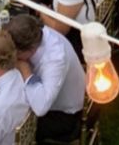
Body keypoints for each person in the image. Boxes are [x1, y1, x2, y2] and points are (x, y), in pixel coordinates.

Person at [7, 14, 85, 144]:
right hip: (51, 98)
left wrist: (26, 71)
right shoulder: (38, 33)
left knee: (8, 129)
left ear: (30, 49)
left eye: (16, 54)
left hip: (65, 114)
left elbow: (41, 107)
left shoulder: (55, 59)